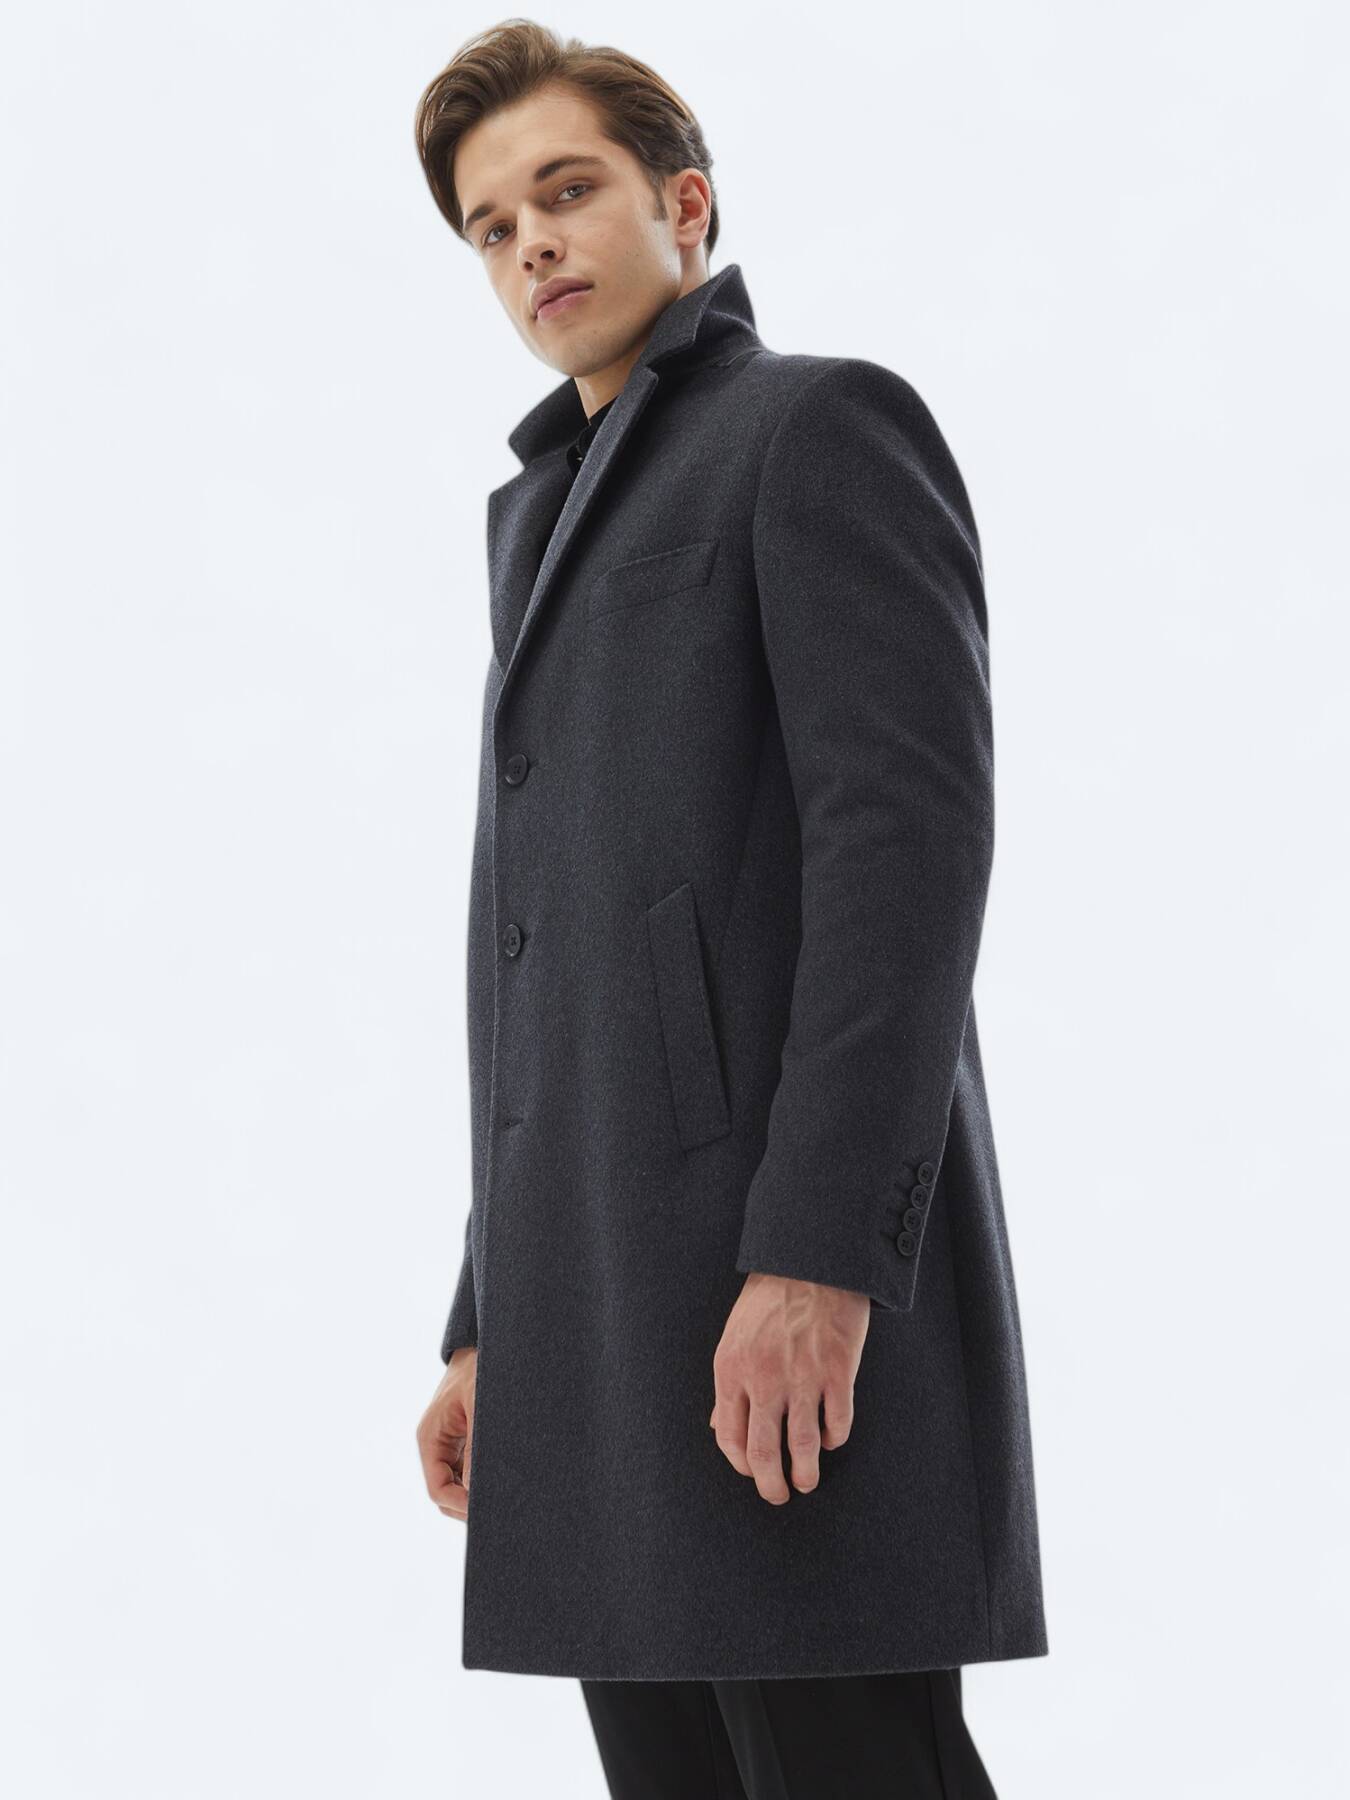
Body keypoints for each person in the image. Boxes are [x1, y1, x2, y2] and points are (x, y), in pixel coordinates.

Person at [411, 21, 1048, 1797]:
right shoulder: (541, 521)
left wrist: (821, 1256)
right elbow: (545, 955)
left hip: (769, 1286)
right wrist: (488, 1315)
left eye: (565, 191)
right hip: (596, 1319)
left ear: (681, 204)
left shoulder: (815, 426)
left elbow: (905, 857)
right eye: (489, 226)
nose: (529, 244)